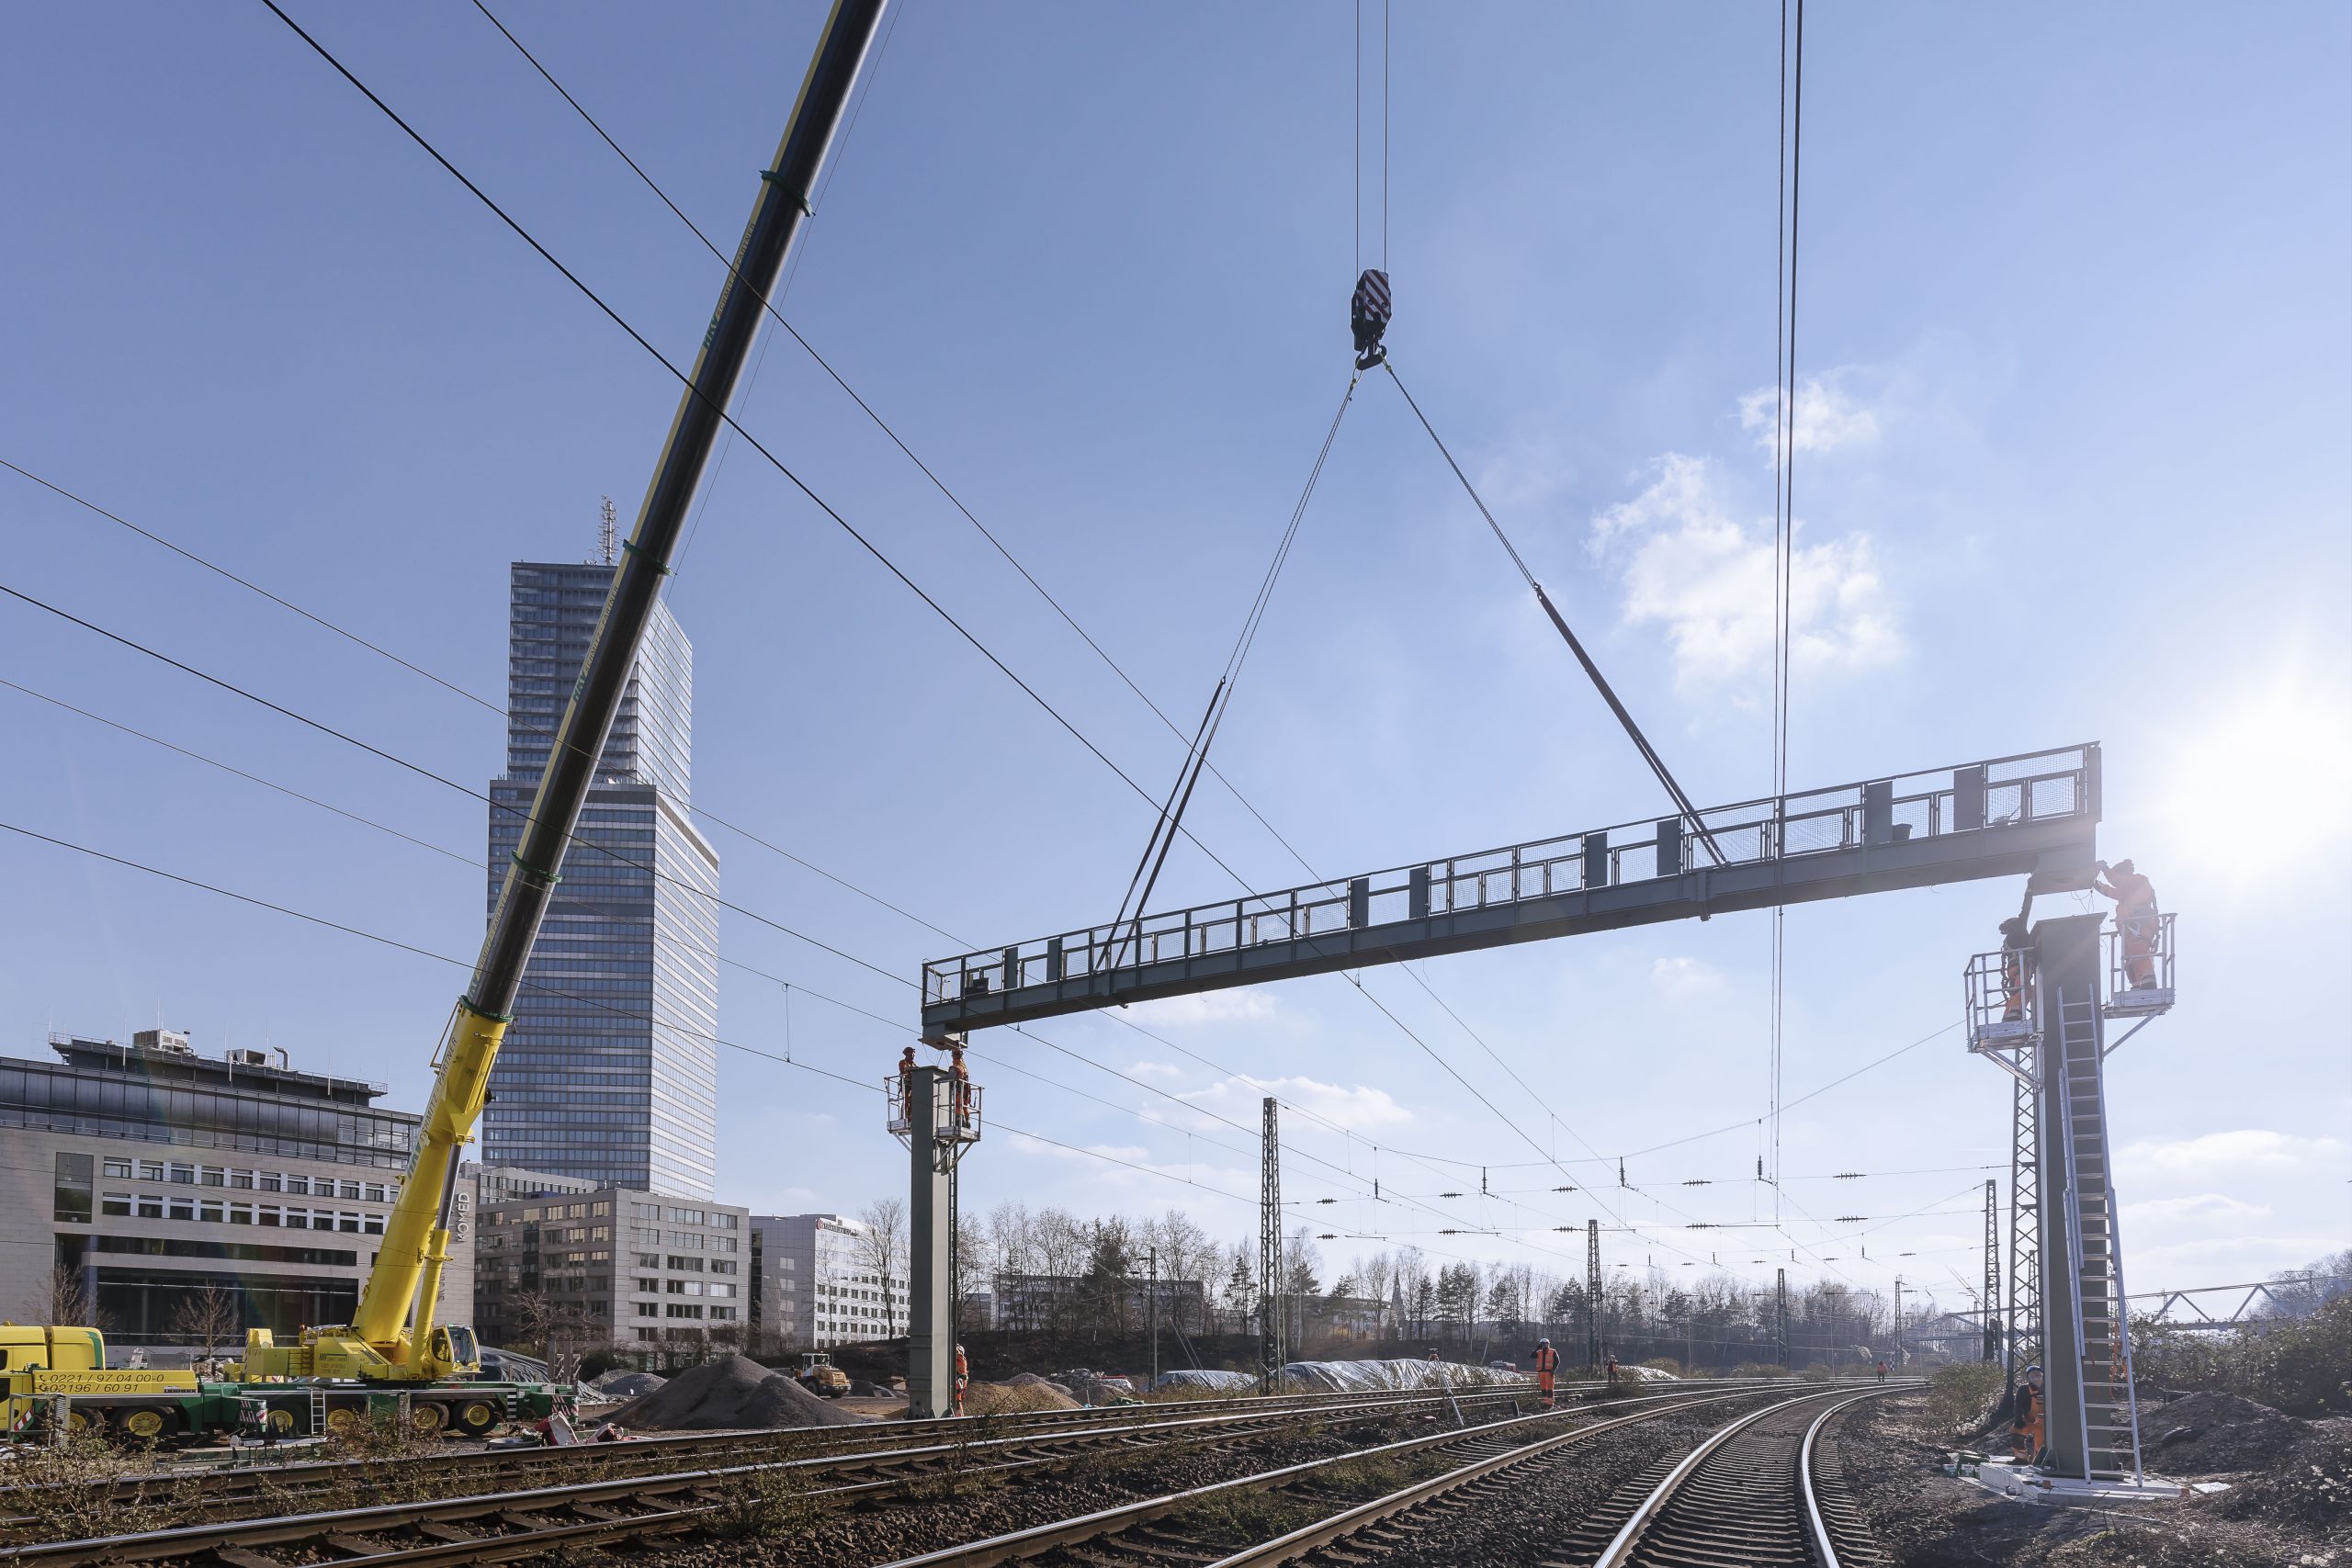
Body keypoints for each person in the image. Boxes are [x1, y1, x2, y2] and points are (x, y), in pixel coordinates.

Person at [2092, 859, 2161, 989]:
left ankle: (2148, 985)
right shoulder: (2127, 890)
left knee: (2138, 951)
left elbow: (2116, 882)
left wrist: (2104, 868)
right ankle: (2137, 986)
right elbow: (2111, 892)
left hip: (2141, 923)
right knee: (2130, 959)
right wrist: (2096, 885)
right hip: (2132, 927)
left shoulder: (2138, 880)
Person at [1998, 916, 2032, 1023]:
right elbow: (2025, 912)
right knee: (2024, 992)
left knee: (2015, 993)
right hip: (2020, 967)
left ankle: (2007, 1016)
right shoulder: (2018, 934)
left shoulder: (2008, 939)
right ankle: (2014, 1016)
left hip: (2012, 969)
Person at [2010, 1364, 2046, 1463]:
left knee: (2041, 1443)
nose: (2036, 1376)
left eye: (2038, 1373)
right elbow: (2018, 1406)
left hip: (2045, 1422)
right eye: (2032, 1375)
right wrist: (2018, 1420)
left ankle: (2039, 1461)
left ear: (2043, 1375)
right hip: (2029, 1421)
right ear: (2028, 1378)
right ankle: (2021, 1458)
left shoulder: (2049, 1386)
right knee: (2017, 1431)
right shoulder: (2024, 1389)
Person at [1529, 1337, 1560, 1409]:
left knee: (1549, 1388)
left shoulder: (1553, 1351)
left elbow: (1557, 1361)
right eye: (1542, 1344)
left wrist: (1553, 1370)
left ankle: (1550, 1404)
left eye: (1545, 1344)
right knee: (1543, 1389)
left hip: (1549, 1372)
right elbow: (1531, 1356)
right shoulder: (1539, 1352)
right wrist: (1537, 1348)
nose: (1543, 1345)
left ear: (1548, 1344)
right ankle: (1546, 1402)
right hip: (1541, 1373)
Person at [949, 1042, 974, 1129]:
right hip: (966, 1089)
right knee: (964, 1106)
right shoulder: (963, 1065)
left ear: (954, 1056)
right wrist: (957, 1045)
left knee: (958, 1105)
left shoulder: (957, 1066)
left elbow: (951, 1076)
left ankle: (959, 1122)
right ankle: (967, 1123)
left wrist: (938, 1080)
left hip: (959, 1088)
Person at [896, 1045, 916, 1127]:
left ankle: (910, 1117)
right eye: (911, 1055)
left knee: (913, 1102)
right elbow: (904, 1070)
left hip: (913, 1085)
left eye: (913, 1055)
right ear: (907, 1054)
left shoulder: (913, 1064)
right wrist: (912, 1069)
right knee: (906, 1101)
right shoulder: (903, 1062)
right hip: (906, 1085)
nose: (912, 1056)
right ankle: (903, 1117)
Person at [954, 1342, 968, 1417]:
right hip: (959, 1385)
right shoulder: (962, 1360)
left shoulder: (961, 1359)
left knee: (957, 1401)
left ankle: (958, 1416)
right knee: (958, 1401)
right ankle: (958, 1416)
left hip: (957, 1385)